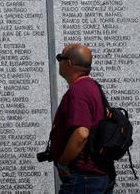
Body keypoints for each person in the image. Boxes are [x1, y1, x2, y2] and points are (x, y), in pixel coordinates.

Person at [48, 43, 116, 194]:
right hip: (98, 175)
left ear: (69, 63)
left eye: (60, 58)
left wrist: (63, 163)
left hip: (84, 178)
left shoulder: (78, 91)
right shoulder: (92, 86)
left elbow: (81, 133)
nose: (58, 62)